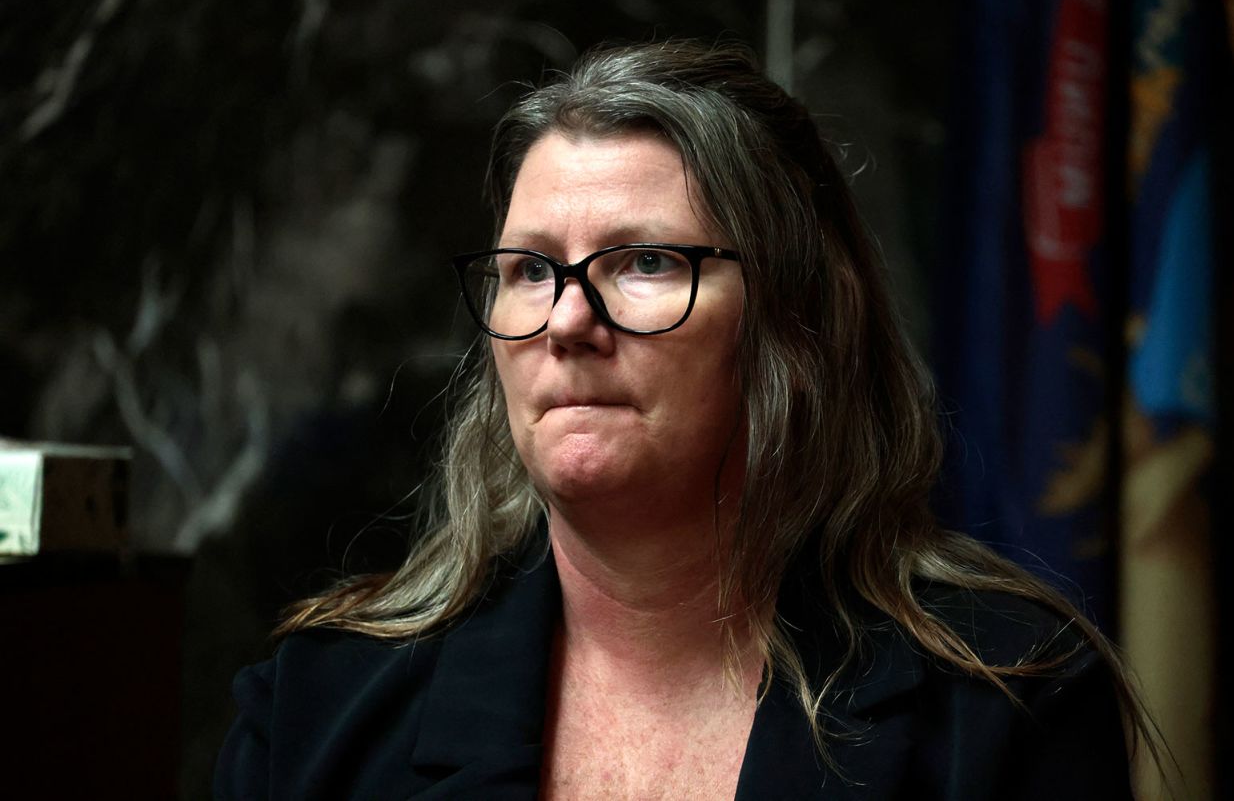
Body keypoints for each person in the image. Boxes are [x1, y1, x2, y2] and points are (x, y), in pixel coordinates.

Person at [216, 40, 1151, 799]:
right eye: (531, 270)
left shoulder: (1006, 703)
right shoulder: (315, 707)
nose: (568, 320)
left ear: (799, 319)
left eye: (646, 262)